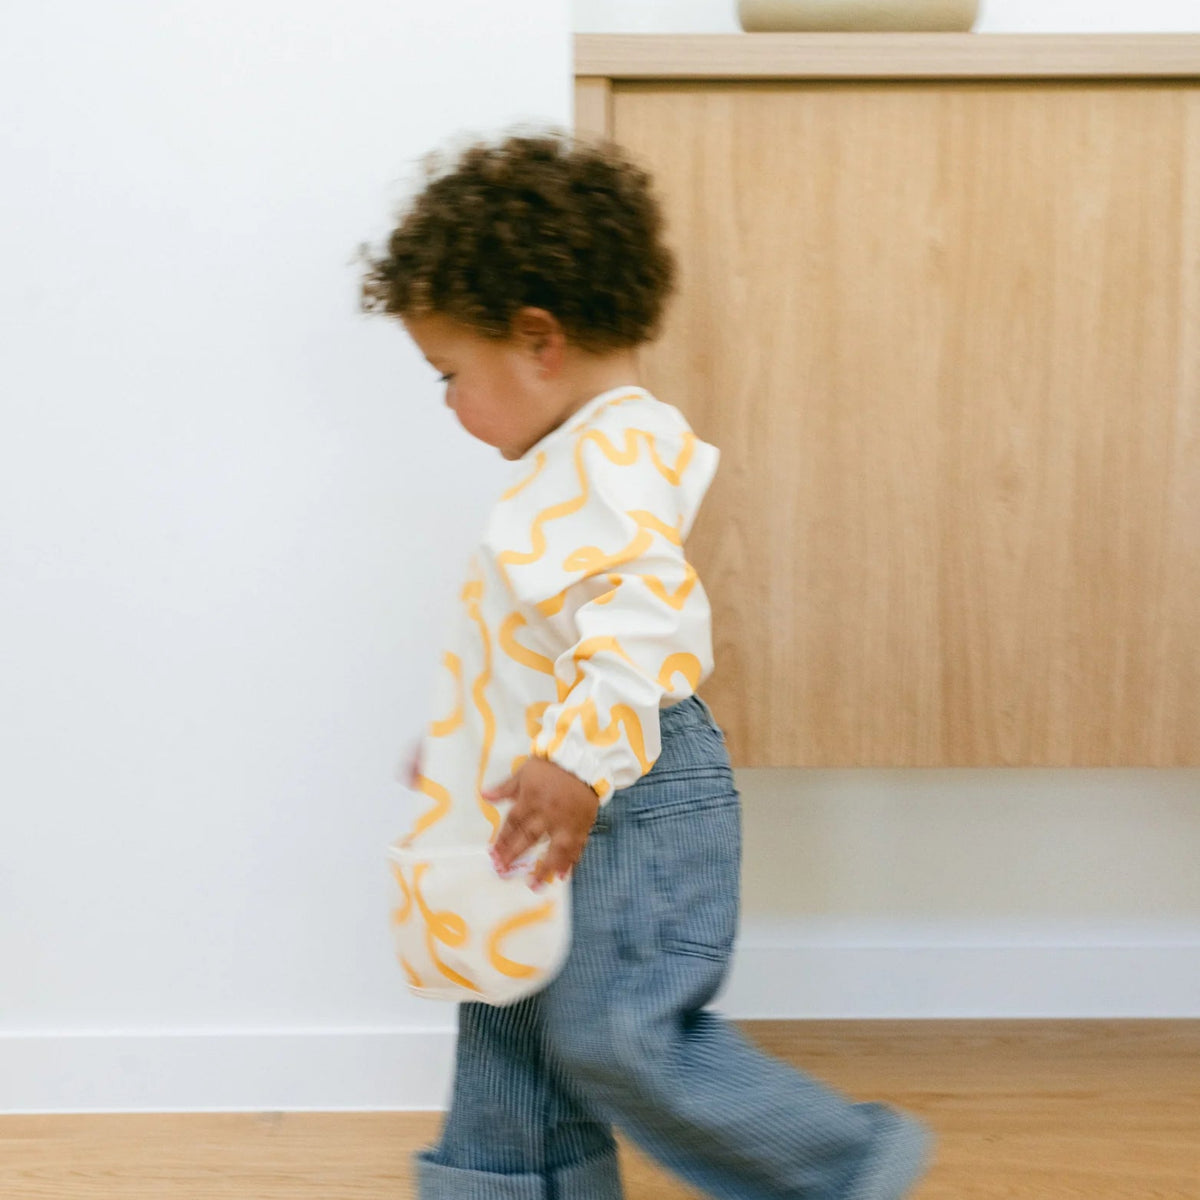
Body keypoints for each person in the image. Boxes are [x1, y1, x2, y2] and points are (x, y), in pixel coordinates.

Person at [361, 129, 934, 1200]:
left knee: (617, 1030)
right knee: (510, 1011)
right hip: (561, 770)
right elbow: (535, 641)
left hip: (633, 783)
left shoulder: (610, 454)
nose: (447, 404)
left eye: (448, 375)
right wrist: (463, 748)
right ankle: (516, 1180)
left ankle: (845, 1167)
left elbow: (644, 617)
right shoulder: (569, 459)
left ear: (537, 339)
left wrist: (575, 761)